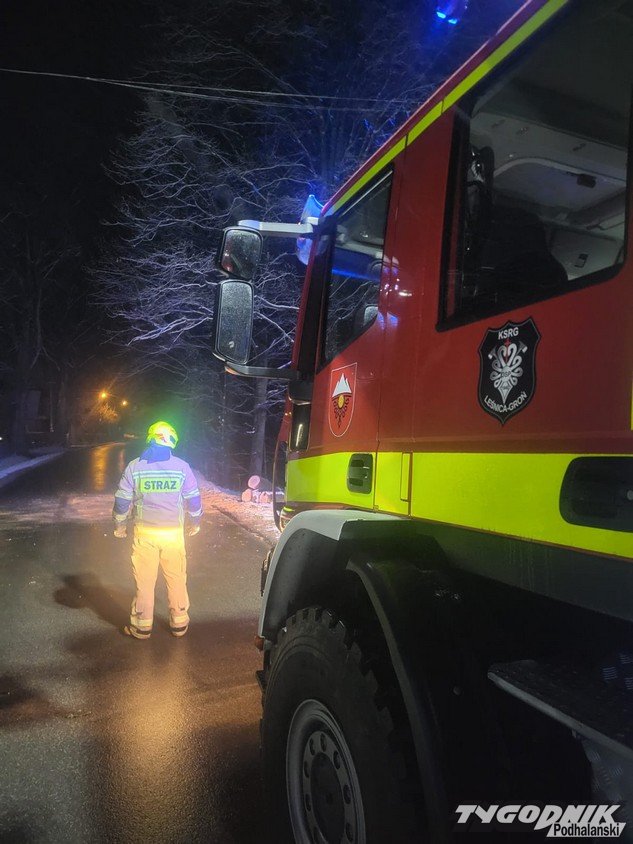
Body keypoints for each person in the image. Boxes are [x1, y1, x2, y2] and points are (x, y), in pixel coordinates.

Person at [112, 421, 202, 639]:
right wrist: (195, 522)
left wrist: (120, 525)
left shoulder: (135, 467)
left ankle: (141, 627)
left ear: (150, 438)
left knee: (144, 582)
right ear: (172, 441)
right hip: (173, 534)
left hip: (145, 535)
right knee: (176, 578)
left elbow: (122, 501)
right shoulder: (182, 467)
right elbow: (193, 499)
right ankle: (179, 623)